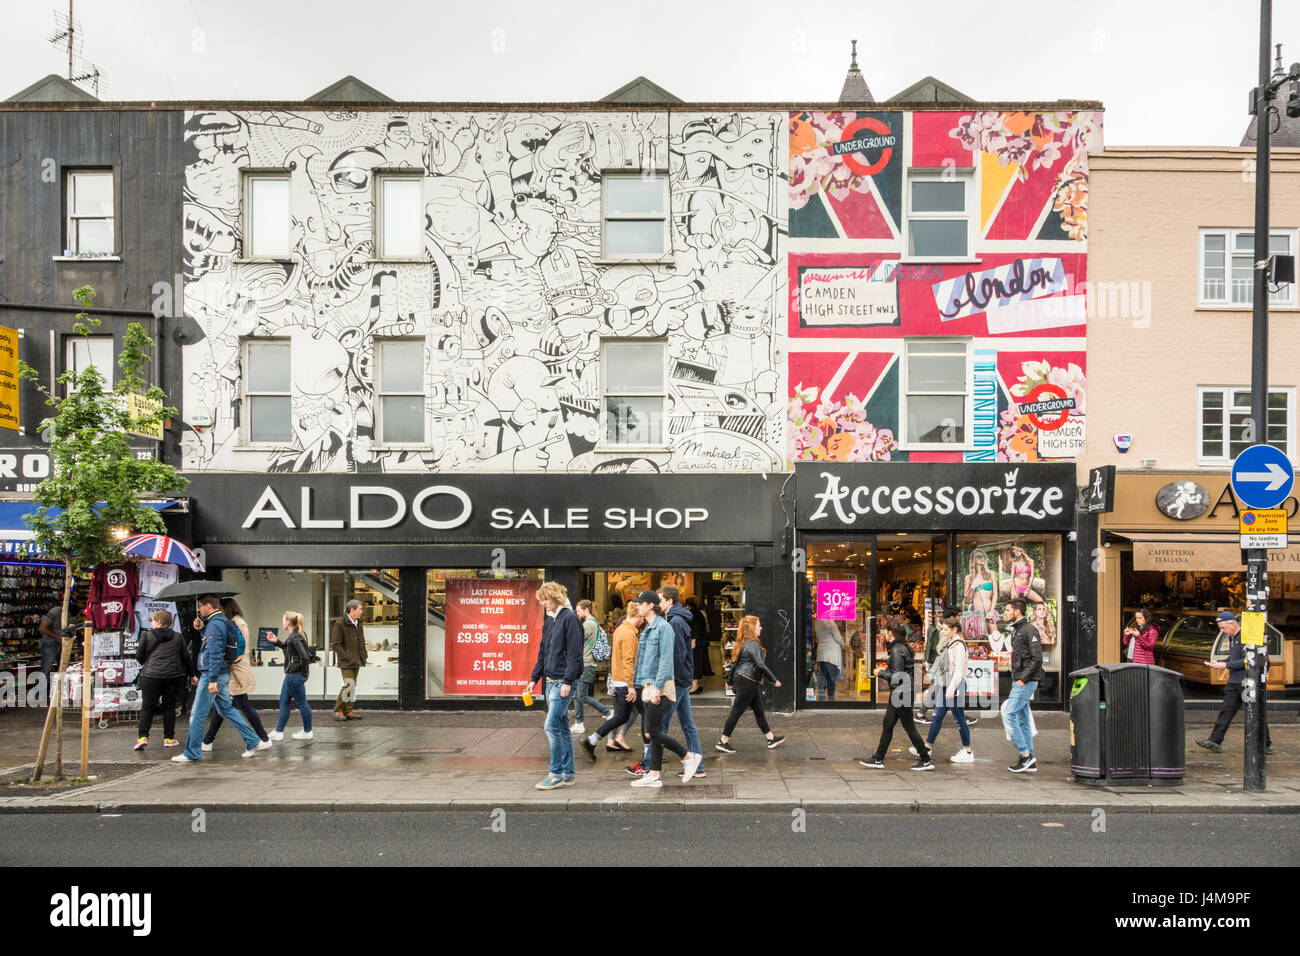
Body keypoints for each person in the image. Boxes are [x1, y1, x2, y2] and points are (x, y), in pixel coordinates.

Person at [172, 594, 265, 763]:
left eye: (200, 606)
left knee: (197, 714)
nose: (198, 609)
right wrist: (201, 630)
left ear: (209, 606)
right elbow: (214, 645)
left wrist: (212, 679)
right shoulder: (223, 621)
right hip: (222, 672)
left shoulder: (215, 625)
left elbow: (214, 652)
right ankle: (253, 740)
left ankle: (192, 752)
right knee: (226, 710)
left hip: (211, 674)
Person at [628, 589, 701, 788]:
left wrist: (657, 689)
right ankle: (654, 775)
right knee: (655, 730)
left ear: (651, 606)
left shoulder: (665, 628)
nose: (637, 606)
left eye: (641, 603)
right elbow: (642, 661)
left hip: (659, 686)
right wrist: (634, 685)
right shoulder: (648, 629)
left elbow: (667, 661)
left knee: (652, 731)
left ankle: (688, 756)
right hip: (648, 685)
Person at [524, 581, 584, 790]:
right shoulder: (550, 621)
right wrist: (534, 678)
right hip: (551, 682)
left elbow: (576, 655)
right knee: (561, 728)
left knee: (551, 726)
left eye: (546, 600)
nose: (543, 604)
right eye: (541, 600)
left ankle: (556, 774)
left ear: (556, 598)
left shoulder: (570, 619)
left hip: (562, 683)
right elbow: (543, 652)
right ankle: (568, 774)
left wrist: (568, 681)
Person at [1196, 611, 1274, 755]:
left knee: (1254, 713)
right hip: (1235, 680)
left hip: (1247, 680)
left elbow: (1249, 659)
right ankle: (1214, 740)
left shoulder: (1246, 637)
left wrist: (1226, 665)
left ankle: (1266, 744)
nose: (1222, 631)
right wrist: (1221, 662)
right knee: (1226, 710)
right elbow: (1234, 657)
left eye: (1223, 628)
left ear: (1233, 624)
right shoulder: (1233, 637)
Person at [859, 622, 932, 771]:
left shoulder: (897, 650)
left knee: (909, 727)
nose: (884, 633)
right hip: (900, 693)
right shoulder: (900, 648)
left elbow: (898, 677)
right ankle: (878, 758)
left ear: (891, 633)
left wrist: (881, 673)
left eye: (886, 631)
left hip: (901, 693)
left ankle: (925, 759)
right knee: (888, 724)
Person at [201, 598, 270, 751]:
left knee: (240, 705)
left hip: (236, 671)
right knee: (222, 707)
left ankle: (264, 738)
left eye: (221, 608)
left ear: (227, 609)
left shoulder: (237, 623)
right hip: (234, 670)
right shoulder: (234, 622)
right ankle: (207, 741)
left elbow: (237, 648)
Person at [582, 608, 644, 760]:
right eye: (643, 614)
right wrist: (630, 686)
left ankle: (593, 740)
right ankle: (650, 752)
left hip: (619, 680)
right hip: (627, 682)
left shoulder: (620, 629)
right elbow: (629, 661)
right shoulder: (629, 634)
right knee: (641, 714)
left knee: (624, 715)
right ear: (638, 615)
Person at [716, 615, 784, 752]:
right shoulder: (753, 644)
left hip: (744, 680)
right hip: (748, 681)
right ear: (752, 628)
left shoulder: (743, 642)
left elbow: (735, 664)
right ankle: (723, 741)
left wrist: (729, 681)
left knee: (759, 711)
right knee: (736, 712)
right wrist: (774, 680)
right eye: (758, 625)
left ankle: (770, 738)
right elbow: (760, 664)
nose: (761, 627)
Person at [659, 586, 705, 778]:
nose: (657, 603)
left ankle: (649, 765)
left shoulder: (675, 621)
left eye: (660, 599)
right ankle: (699, 766)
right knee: (687, 723)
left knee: (659, 724)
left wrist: (668, 680)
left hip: (677, 680)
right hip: (683, 678)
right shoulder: (675, 619)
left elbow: (677, 654)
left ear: (670, 601)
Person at [134, 609, 197, 751]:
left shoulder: (147, 635)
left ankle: (142, 738)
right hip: (173, 677)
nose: (151, 622)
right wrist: (192, 674)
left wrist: (149, 662)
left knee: (147, 707)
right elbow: (186, 658)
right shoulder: (178, 637)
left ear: (158, 621)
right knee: (169, 707)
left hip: (150, 677)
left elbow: (139, 656)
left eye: (152, 620)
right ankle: (168, 738)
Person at [918, 614, 973, 762]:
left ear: (954, 630)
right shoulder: (951, 643)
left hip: (955, 686)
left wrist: (951, 689)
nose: (943, 632)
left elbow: (959, 670)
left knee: (959, 718)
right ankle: (927, 748)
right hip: (947, 684)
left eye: (946, 629)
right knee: (937, 716)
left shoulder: (959, 645)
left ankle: (967, 751)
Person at [1004, 598, 1043, 773]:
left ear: (1017, 612)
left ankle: (1025, 754)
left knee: (1008, 714)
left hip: (1026, 681)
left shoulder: (1029, 630)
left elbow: (1037, 659)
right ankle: (1030, 760)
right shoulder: (1017, 630)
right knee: (1023, 720)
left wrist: (1022, 680)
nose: (1005, 613)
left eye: (1007, 610)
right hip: (1020, 680)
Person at [267, 611, 314, 741]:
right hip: (293, 675)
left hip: (294, 675)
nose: (282, 622)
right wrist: (277, 642)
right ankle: (279, 731)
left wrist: (301, 672)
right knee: (284, 701)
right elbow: (290, 650)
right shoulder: (296, 635)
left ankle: (307, 731)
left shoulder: (295, 637)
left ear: (288, 622)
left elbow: (304, 657)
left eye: (283, 620)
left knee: (301, 703)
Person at [569, 600, 612, 734]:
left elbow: (574, 639)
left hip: (586, 664)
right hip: (585, 663)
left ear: (586, 609)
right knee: (577, 695)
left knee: (581, 695)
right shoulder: (592, 623)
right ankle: (579, 722)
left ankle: (608, 711)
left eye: (578, 610)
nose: (577, 613)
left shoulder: (589, 624)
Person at [330, 599, 367, 721]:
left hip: (357, 659)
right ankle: (338, 710)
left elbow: (361, 640)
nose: (362, 611)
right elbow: (336, 644)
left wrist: (363, 654)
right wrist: (347, 656)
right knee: (348, 684)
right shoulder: (340, 623)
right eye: (360, 609)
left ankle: (348, 710)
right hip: (347, 661)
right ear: (352, 610)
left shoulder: (358, 623)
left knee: (352, 685)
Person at [813, 619, 844, 701]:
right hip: (832, 653)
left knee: (823, 676)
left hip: (822, 651)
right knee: (831, 677)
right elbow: (838, 637)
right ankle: (831, 699)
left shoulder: (817, 622)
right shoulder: (830, 622)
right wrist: (843, 644)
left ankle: (822, 698)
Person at [685, 596, 713, 682]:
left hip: (696, 642)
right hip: (700, 640)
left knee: (695, 661)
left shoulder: (692, 614)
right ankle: (695, 683)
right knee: (698, 660)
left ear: (688, 606)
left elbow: (695, 628)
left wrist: (693, 640)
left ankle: (694, 685)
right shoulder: (698, 613)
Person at [963, 549, 995, 619]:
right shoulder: (969, 577)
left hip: (989, 612)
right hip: (975, 612)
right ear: (973, 560)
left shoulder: (991, 574)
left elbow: (995, 595)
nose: (982, 558)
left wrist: (991, 611)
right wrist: (972, 587)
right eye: (979, 557)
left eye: (983, 556)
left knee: (994, 630)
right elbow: (967, 600)